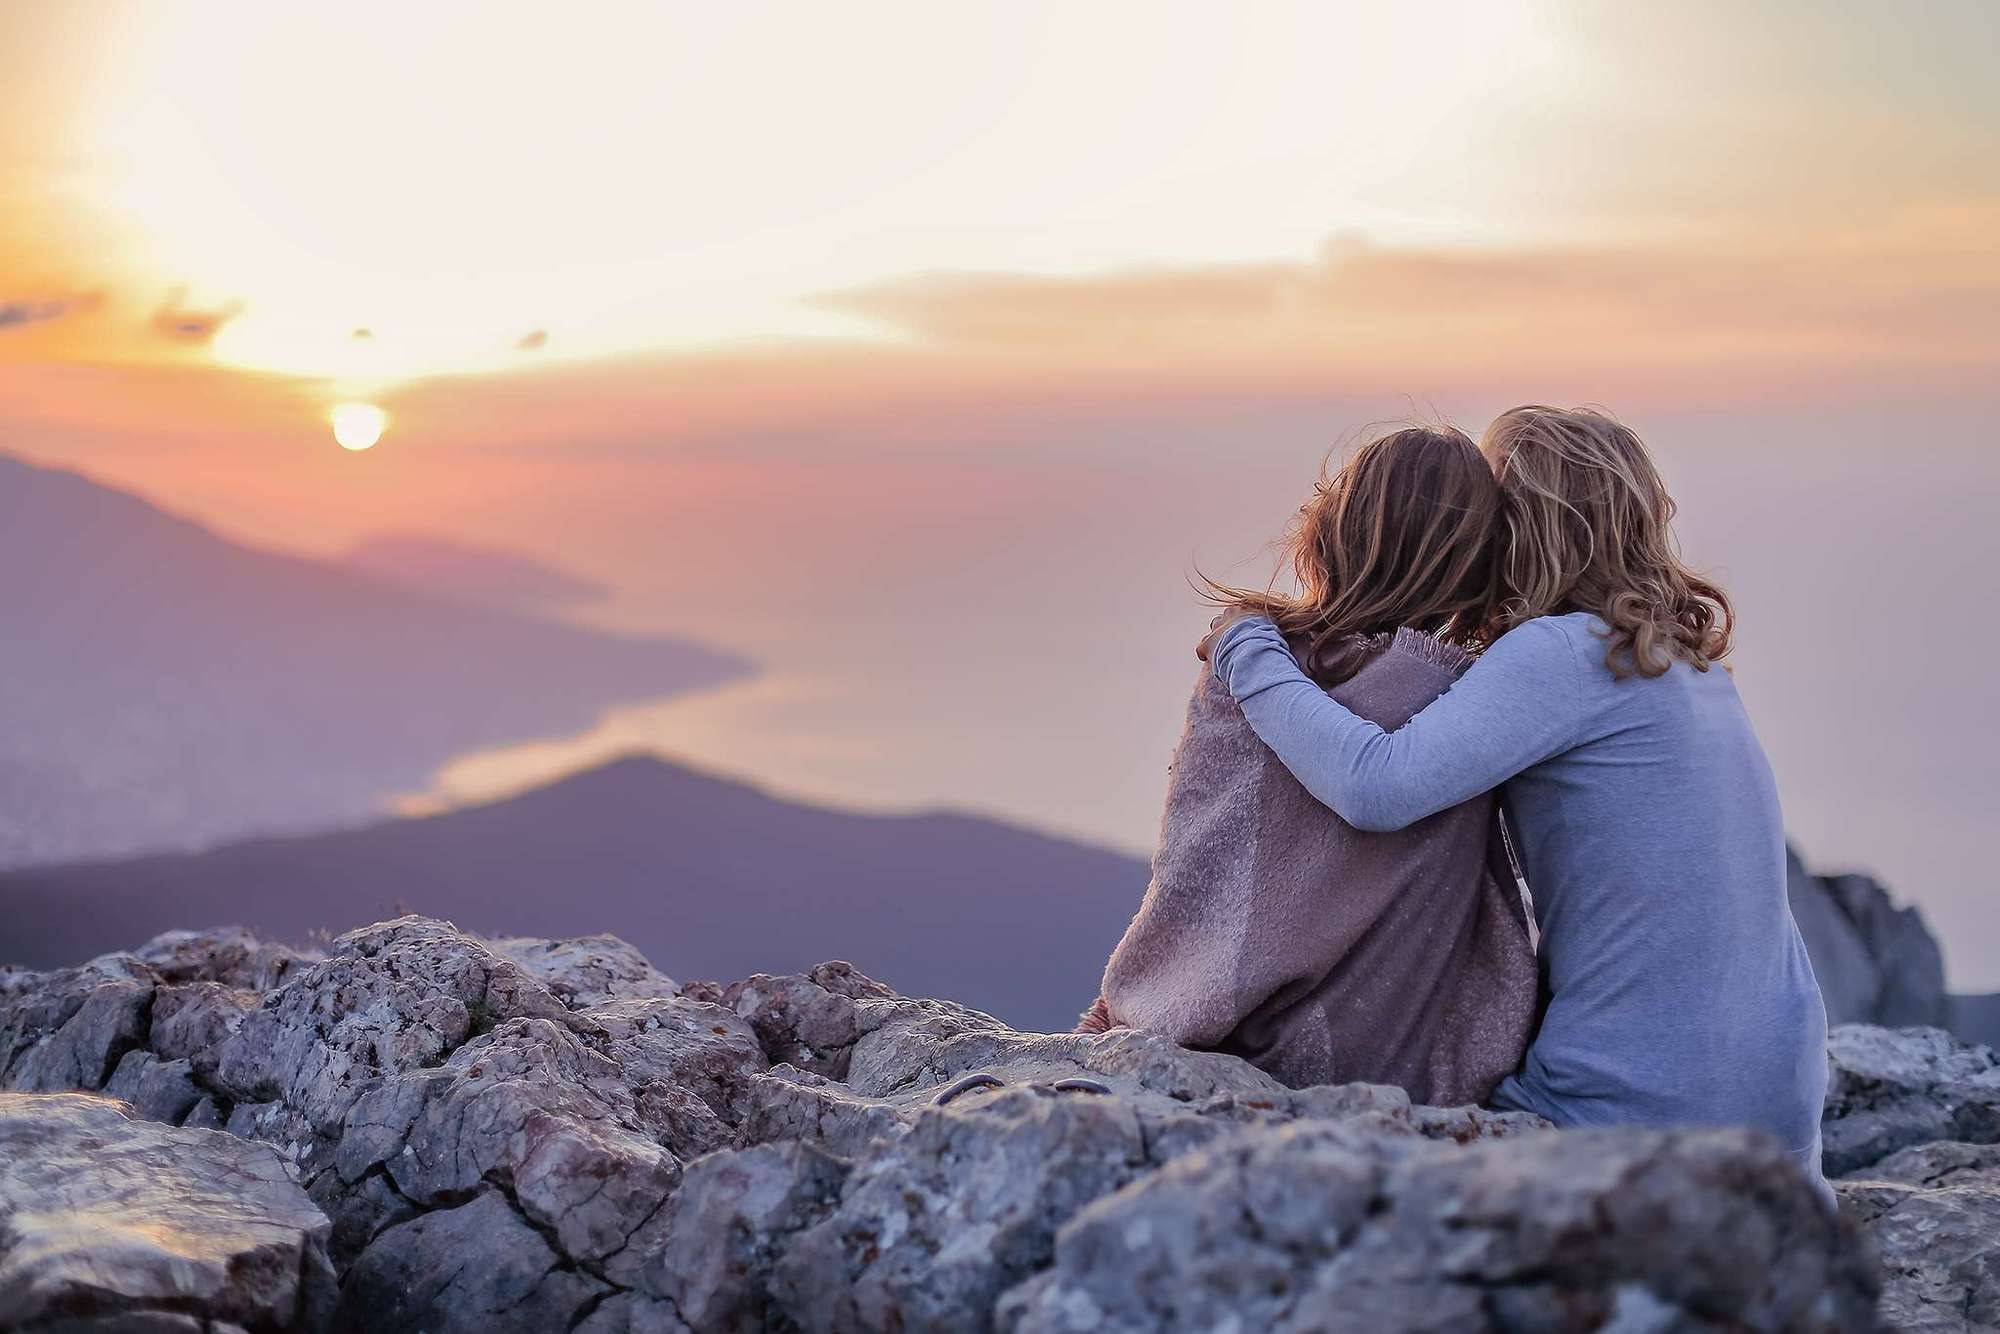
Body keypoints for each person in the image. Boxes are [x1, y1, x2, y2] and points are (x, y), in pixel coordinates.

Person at [1206, 405, 1831, 1197]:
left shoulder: (1561, 654)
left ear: (1520, 525)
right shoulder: (1682, 662)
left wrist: (1249, 652)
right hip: (1777, 1106)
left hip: (1637, 1106)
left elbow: (1376, 787)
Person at [1076, 425, 1537, 1106]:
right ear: (1474, 566)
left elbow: (1200, 876)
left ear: (1338, 528)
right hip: (1396, 1066)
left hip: (1207, 1043)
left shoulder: (1253, 661)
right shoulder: (1471, 702)